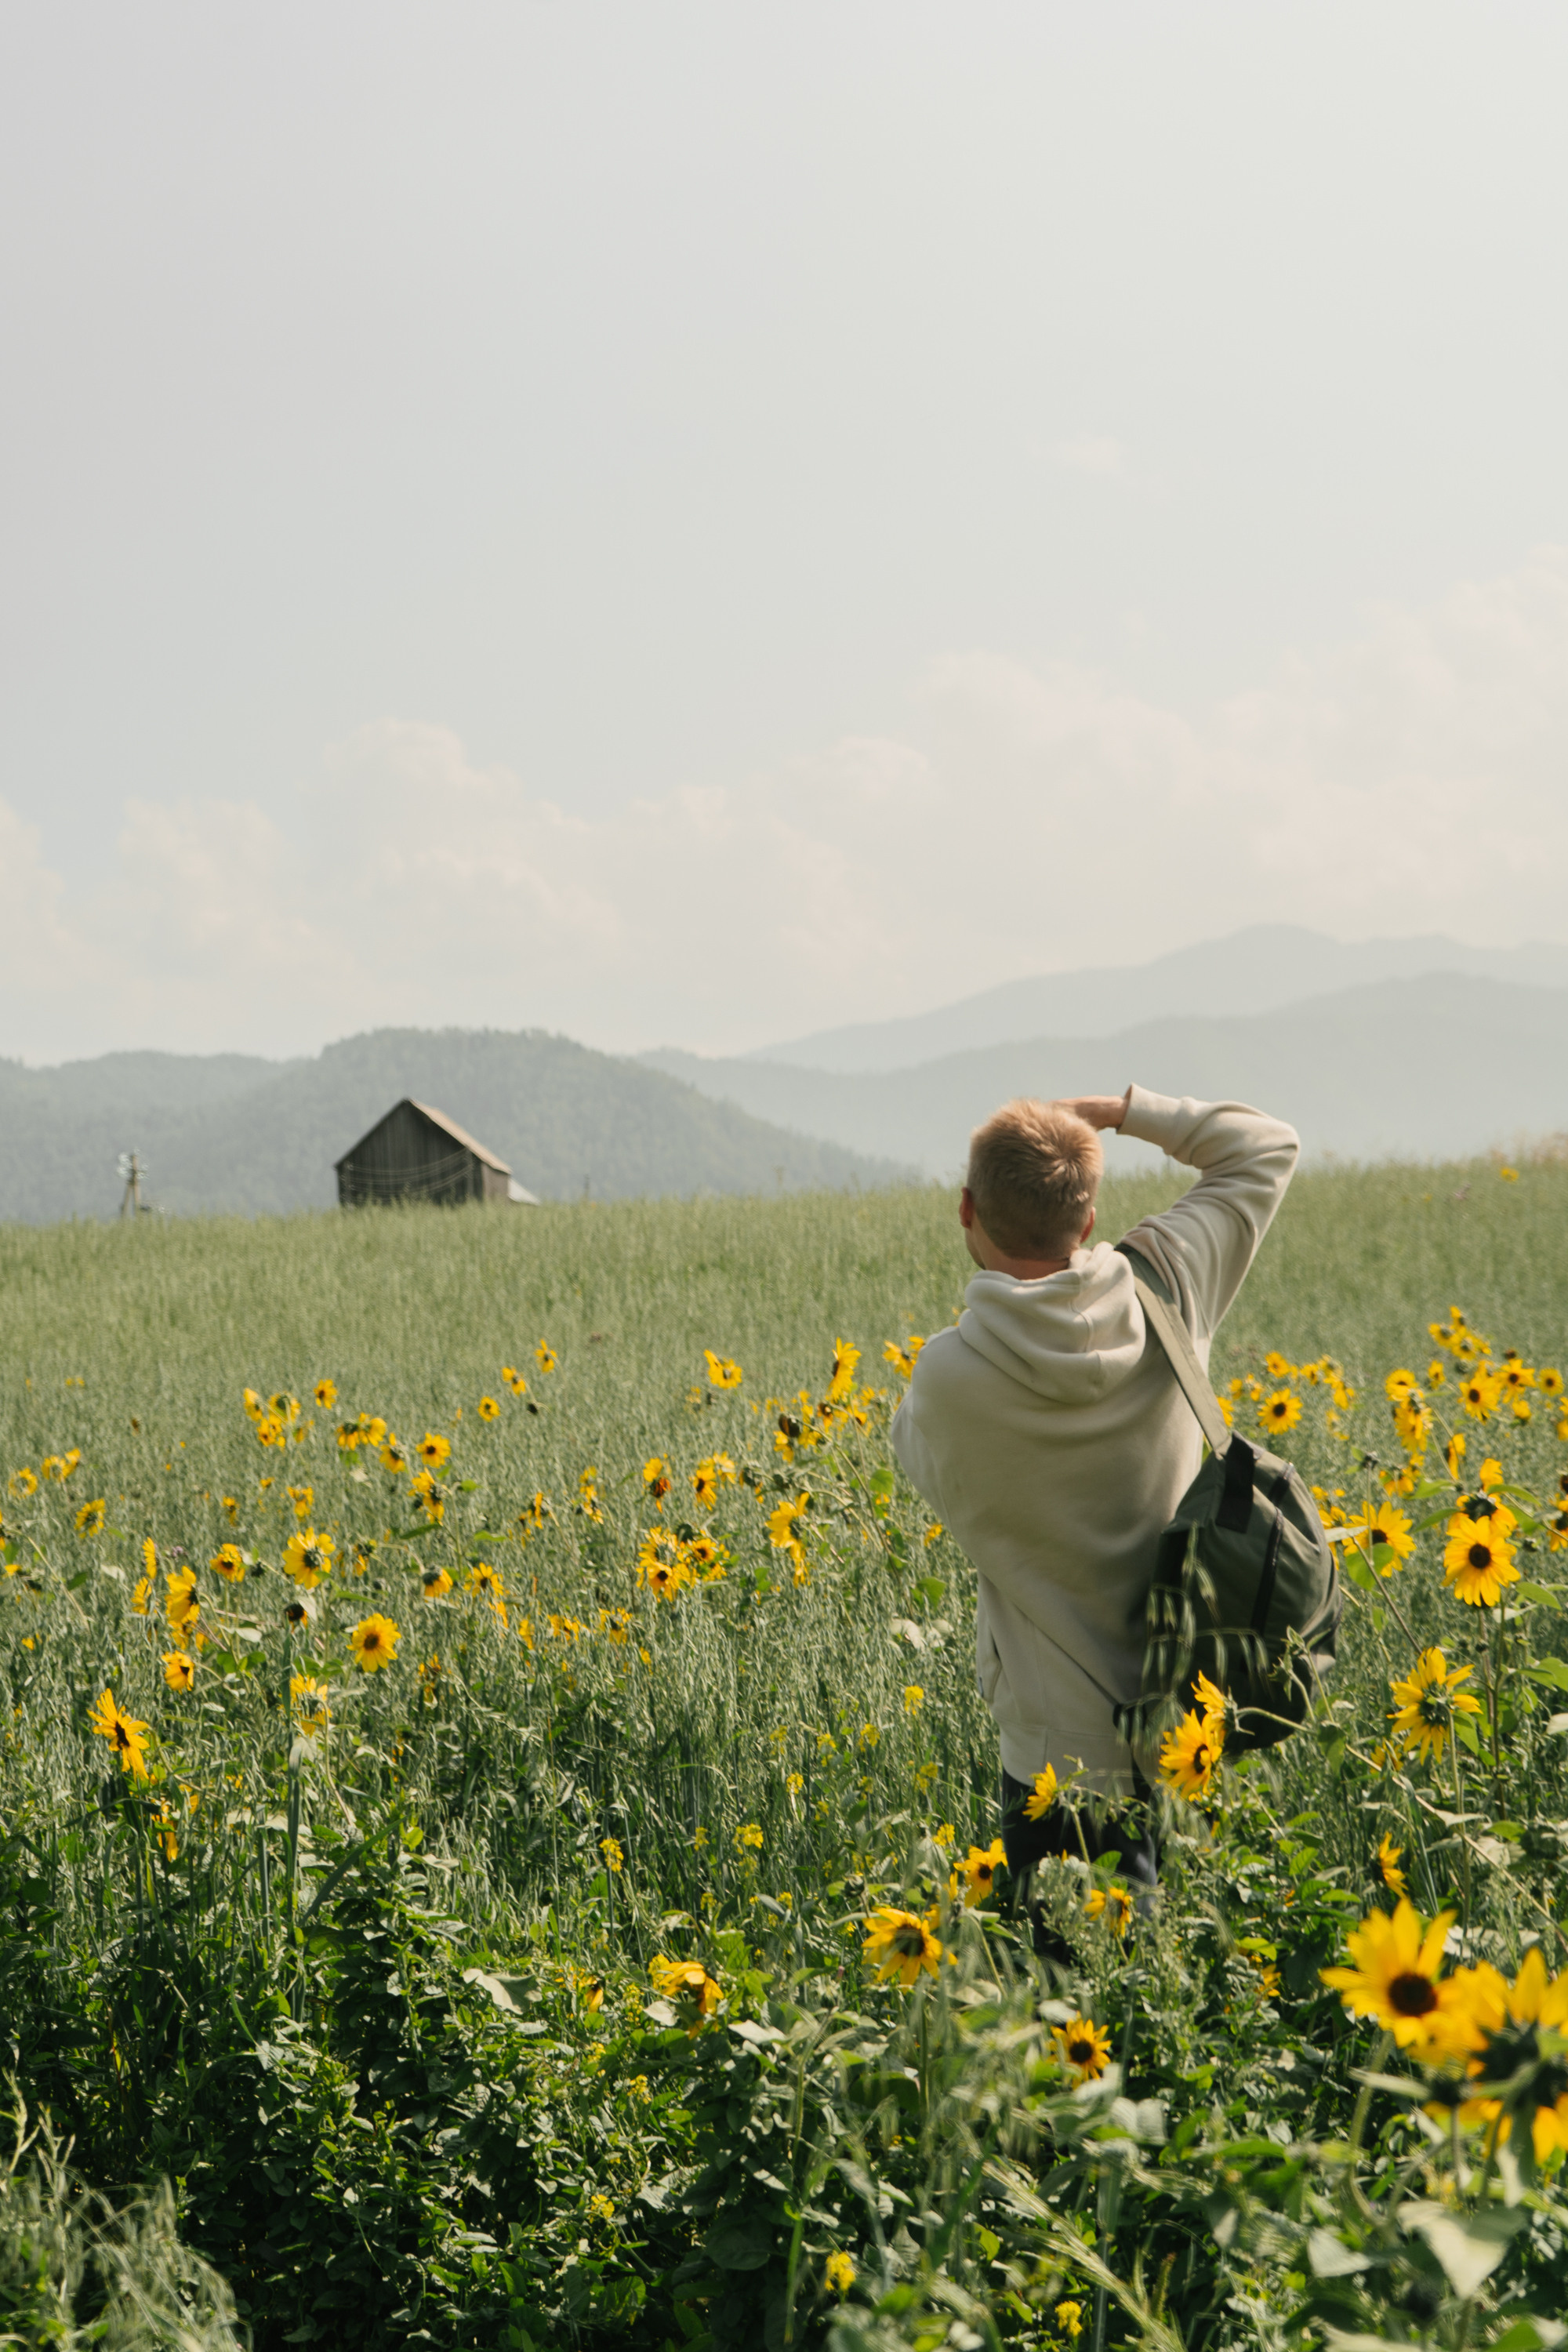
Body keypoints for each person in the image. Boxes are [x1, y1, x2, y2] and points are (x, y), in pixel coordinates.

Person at [890, 1085, 1298, 1908]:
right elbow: (1264, 1146)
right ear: (1085, 1219)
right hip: (1199, 1722)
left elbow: (921, 1469)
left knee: (1065, 2013)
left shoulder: (946, 1380)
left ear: (966, 1208)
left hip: (1058, 1757)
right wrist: (1118, 1111)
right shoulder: (1168, 1283)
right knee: (1192, 2000)